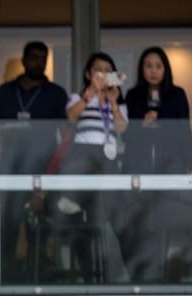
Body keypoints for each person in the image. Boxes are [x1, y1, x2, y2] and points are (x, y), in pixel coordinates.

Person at [52, 52, 129, 282]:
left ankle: (113, 270)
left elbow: (122, 128)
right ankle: (72, 198)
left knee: (106, 214)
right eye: (99, 70)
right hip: (83, 154)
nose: (103, 74)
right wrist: (90, 93)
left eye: (108, 70)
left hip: (107, 156)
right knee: (81, 168)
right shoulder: (79, 97)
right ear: (88, 74)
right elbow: (71, 116)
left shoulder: (119, 101)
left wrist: (113, 103)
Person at [0, 41, 69, 282]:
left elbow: (65, 132)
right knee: (8, 223)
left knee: (39, 228)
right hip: (10, 167)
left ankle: (36, 278)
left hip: (43, 167)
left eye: (43, 58)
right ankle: (5, 276)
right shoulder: (5, 92)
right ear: (24, 60)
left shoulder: (56, 94)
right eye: (34, 58)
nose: (39, 62)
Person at [118, 47, 192, 281]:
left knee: (171, 222)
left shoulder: (177, 95)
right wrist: (143, 124)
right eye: (148, 66)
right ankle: (145, 276)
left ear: (165, 69)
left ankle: (171, 275)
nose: (153, 71)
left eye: (158, 66)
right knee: (143, 225)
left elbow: (184, 132)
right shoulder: (133, 96)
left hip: (170, 169)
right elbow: (125, 136)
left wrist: (189, 166)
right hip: (140, 170)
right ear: (142, 70)